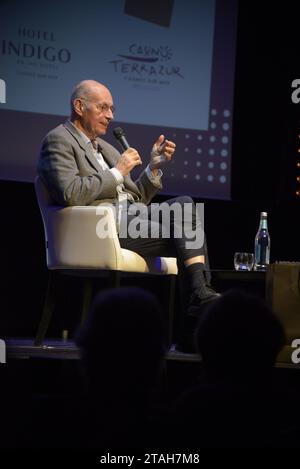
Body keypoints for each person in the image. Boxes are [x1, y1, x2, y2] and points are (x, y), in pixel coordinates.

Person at [37, 79, 219, 329]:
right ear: (79, 106)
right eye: (102, 108)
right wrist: (117, 171)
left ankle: (199, 299)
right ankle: (198, 314)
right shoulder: (59, 140)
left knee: (186, 210)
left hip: (131, 218)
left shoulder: (108, 149)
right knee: (189, 237)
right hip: (101, 227)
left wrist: (152, 168)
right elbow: (70, 193)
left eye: (111, 109)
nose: (110, 115)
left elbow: (137, 199)